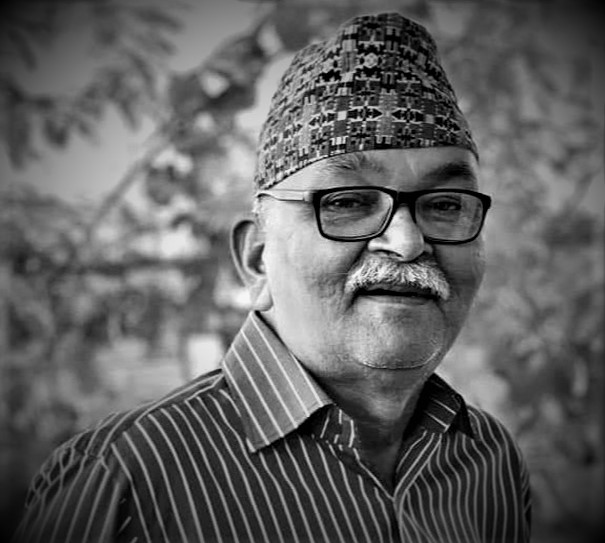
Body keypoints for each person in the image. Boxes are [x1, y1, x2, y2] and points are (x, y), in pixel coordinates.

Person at [13, 11, 531, 543]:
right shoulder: (124, 481)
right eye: (348, 202)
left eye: (446, 205)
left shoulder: (488, 461)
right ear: (258, 257)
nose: (407, 242)